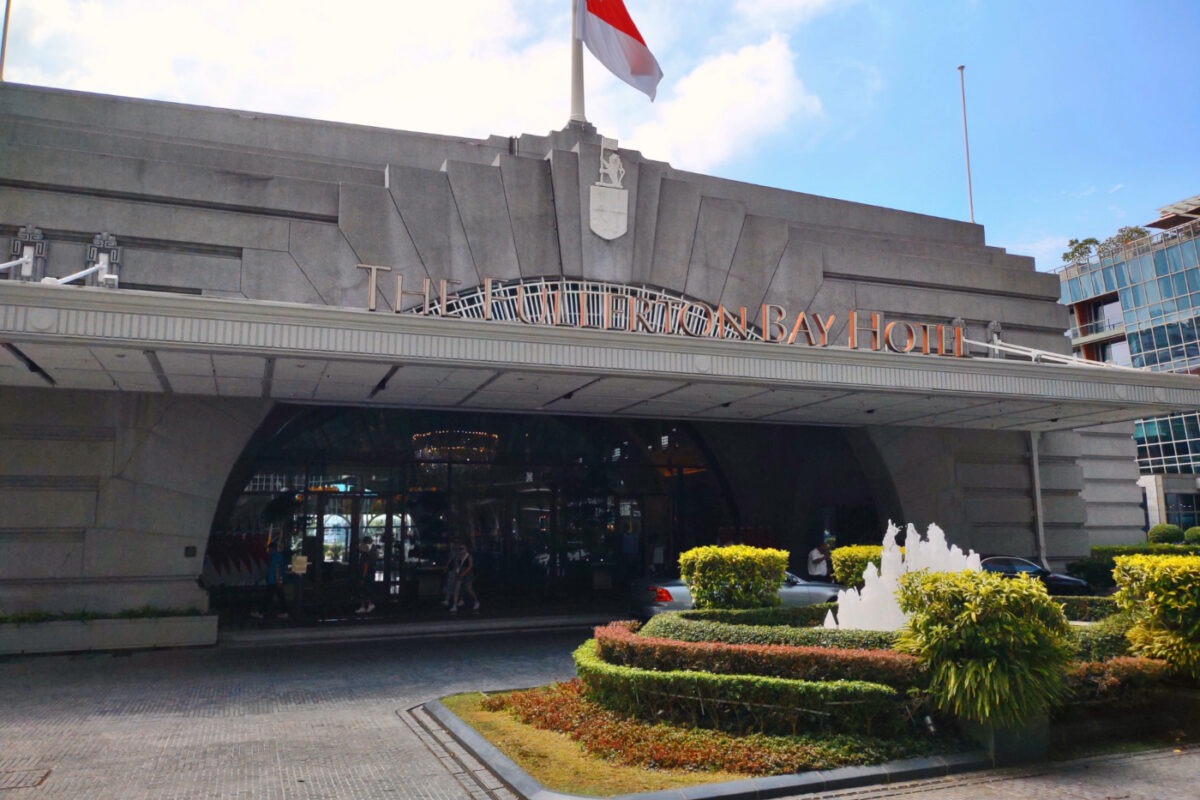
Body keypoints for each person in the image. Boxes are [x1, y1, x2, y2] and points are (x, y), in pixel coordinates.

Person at [251, 539, 289, 619]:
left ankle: (261, 612)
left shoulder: (275, 557)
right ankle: (284, 612)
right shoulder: (279, 556)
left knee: (268, 597)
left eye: (269, 549)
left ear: (271, 549)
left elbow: (277, 569)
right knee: (280, 597)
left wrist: (277, 580)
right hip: (276, 580)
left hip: (274, 581)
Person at [448, 542, 479, 613]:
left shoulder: (469, 556)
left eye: (462, 548)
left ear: (466, 549)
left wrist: (463, 573)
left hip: (468, 574)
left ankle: (476, 601)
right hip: (460, 573)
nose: (460, 550)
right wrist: (457, 572)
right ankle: (455, 605)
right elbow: (457, 565)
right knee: (457, 589)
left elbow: (470, 566)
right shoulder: (458, 556)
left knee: (469, 589)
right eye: (460, 548)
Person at [354, 535, 377, 614]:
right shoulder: (373, 550)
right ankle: (365, 605)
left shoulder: (367, 552)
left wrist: (363, 576)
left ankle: (367, 605)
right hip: (370, 573)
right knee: (366, 589)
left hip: (366, 574)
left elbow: (366, 565)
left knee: (364, 589)